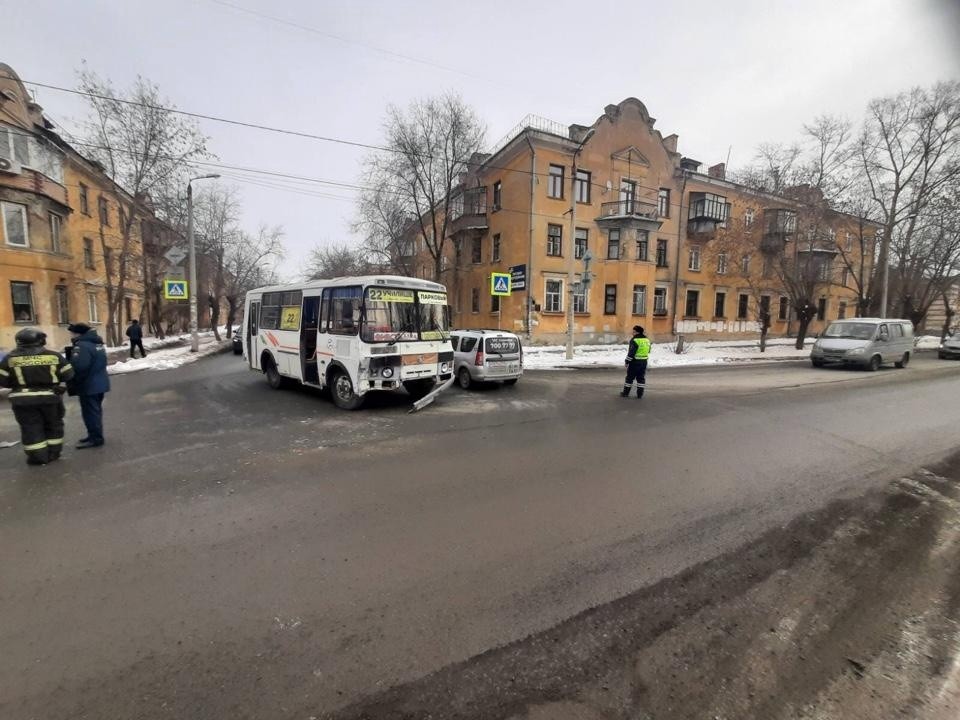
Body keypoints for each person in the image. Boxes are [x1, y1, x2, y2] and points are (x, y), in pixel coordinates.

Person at [0, 328, 74, 465]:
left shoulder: (10, 358)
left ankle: (38, 457)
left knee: (30, 427)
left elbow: (2, 380)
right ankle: (53, 453)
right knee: (53, 425)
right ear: (40, 341)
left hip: (23, 400)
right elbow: (69, 374)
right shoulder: (54, 356)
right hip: (50, 398)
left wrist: (17, 384)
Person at [66, 323, 110, 449]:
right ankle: (94, 435)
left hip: (89, 385)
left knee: (90, 413)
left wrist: (74, 380)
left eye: (72, 333)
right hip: (100, 383)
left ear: (78, 334)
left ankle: (95, 438)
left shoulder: (82, 346)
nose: (71, 335)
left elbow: (80, 367)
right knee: (95, 411)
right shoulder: (97, 343)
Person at [621, 325, 651, 399]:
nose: (632, 333)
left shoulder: (634, 340)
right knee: (641, 378)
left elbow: (631, 352)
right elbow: (649, 350)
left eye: (633, 331)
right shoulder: (647, 340)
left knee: (629, 378)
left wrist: (627, 361)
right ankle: (640, 394)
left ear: (637, 332)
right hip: (644, 362)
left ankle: (625, 393)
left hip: (635, 362)